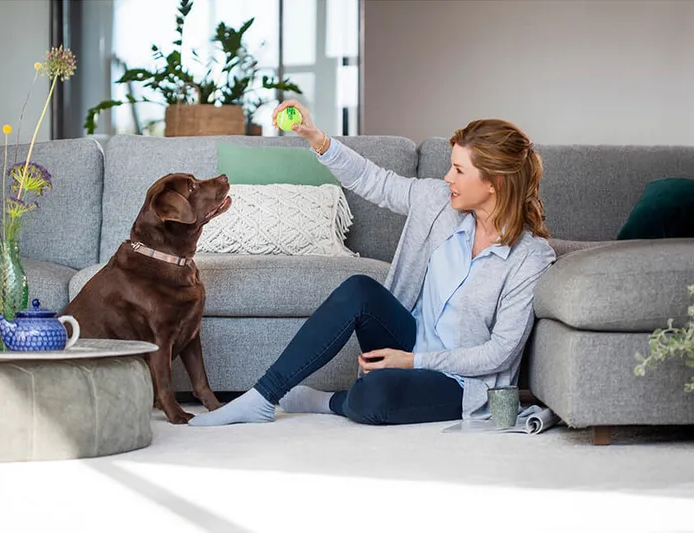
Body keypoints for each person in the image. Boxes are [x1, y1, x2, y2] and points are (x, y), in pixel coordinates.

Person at [189, 100, 555, 427]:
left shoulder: (530, 256)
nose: (448, 177)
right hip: (410, 341)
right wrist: (316, 138)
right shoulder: (437, 202)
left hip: (459, 381)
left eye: (459, 170)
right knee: (359, 289)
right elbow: (372, 180)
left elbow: (499, 353)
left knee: (373, 397)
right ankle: (262, 397)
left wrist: (411, 363)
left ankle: (328, 402)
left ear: (494, 183)